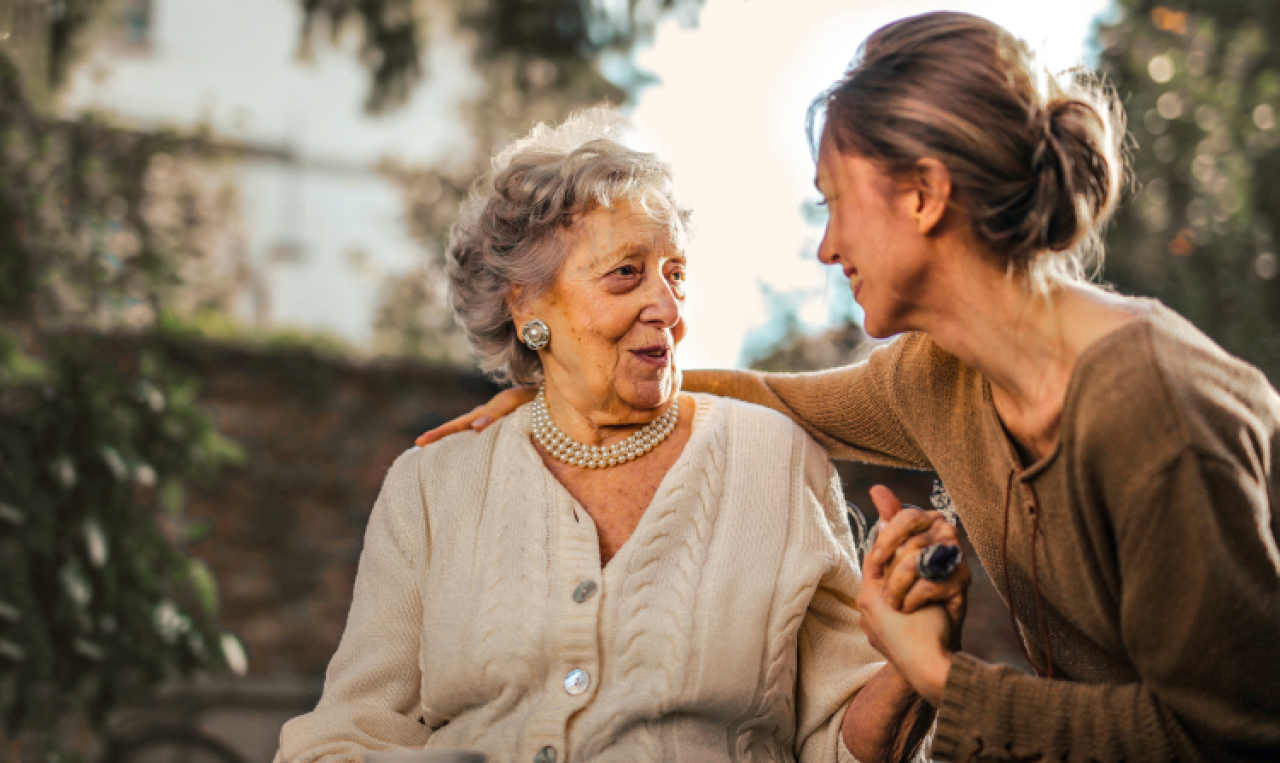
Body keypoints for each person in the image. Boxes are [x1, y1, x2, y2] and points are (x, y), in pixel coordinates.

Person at [417, 13, 1280, 762]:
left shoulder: (1152, 409)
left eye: (835, 202)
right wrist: (568, 391)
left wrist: (938, 673)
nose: (827, 248)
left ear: (925, 195)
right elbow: (777, 398)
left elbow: (1228, 735)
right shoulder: (940, 376)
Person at [276, 108, 950, 763]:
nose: (668, 308)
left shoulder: (777, 461)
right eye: (626, 272)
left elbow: (847, 745)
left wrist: (911, 662)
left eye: (675, 274)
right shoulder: (431, 485)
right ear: (527, 302)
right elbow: (350, 731)